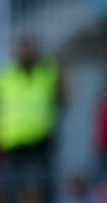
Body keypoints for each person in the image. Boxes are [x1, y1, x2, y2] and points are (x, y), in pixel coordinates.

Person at [0, 33, 65, 192]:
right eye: (21, 49)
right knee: (13, 185)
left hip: (41, 138)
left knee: (44, 183)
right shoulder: (6, 79)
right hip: (14, 140)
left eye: (28, 49)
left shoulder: (45, 75)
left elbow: (61, 98)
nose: (24, 53)